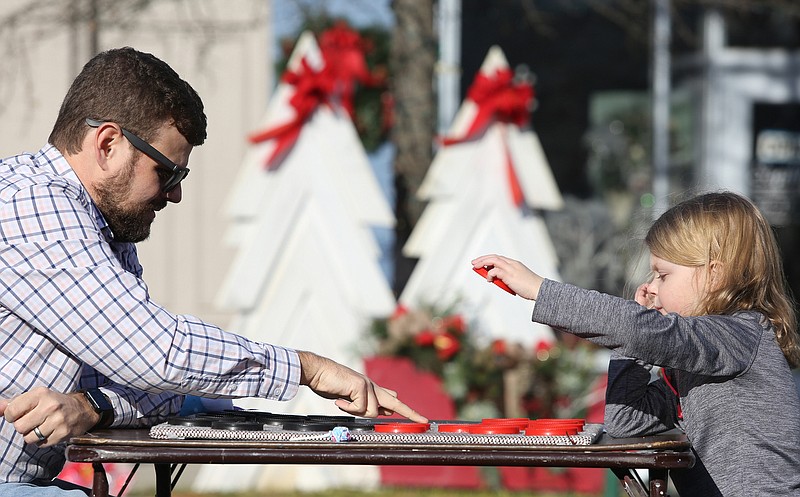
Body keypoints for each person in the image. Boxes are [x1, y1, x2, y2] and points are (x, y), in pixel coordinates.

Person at [0, 47, 426, 496]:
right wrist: (307, 369)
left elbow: (156, 384)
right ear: (108, 145)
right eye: (166, 173)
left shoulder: (97, 225)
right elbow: (158, 353)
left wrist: (95, 405)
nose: (175, 194)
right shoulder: (33, 209)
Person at [472, 191, 800, 497]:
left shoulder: (737, 335)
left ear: (713, 276)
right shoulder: (697, 361)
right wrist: (639, 350)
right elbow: (626, 421)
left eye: (663, 275)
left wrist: (540, 290)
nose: (652, 286)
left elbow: (637, 331)